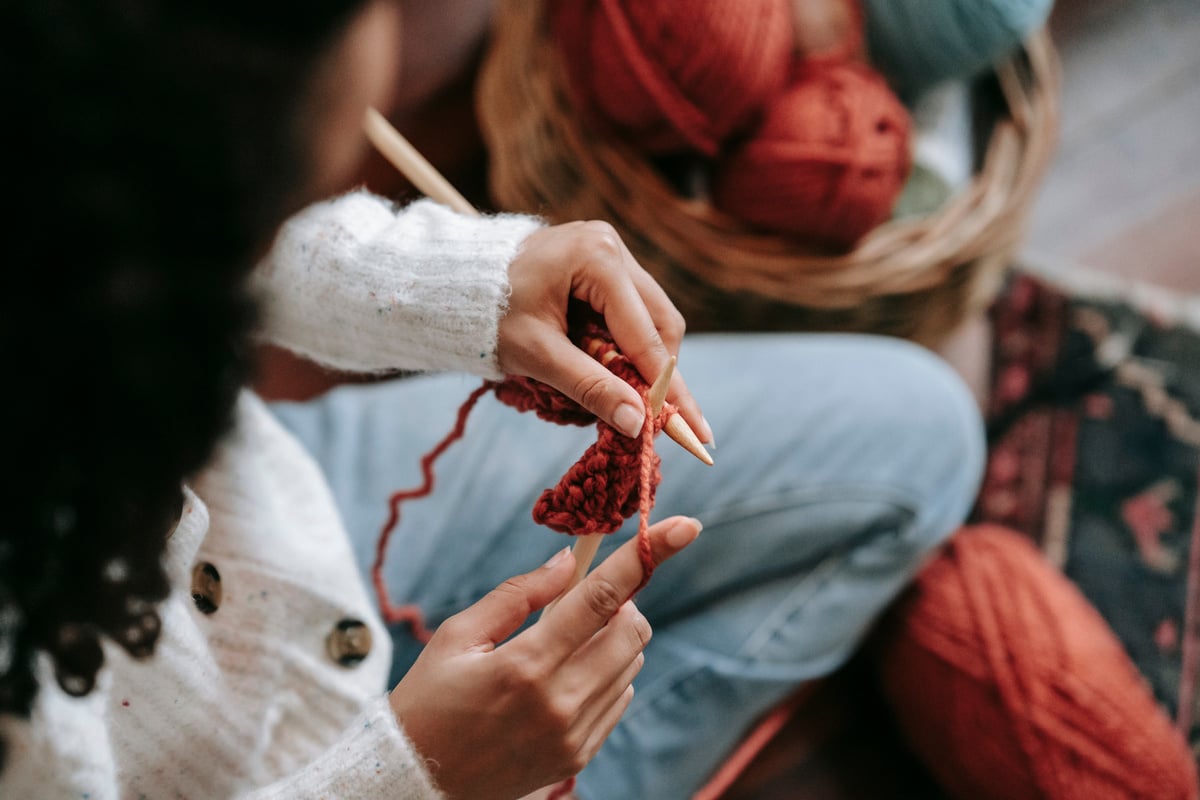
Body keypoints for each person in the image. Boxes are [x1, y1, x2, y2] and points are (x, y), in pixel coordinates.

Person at [0, 1, 985, 798]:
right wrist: (417, 772)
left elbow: (190, 219)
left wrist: (479, 284)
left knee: (924, 434)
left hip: (277, 532)